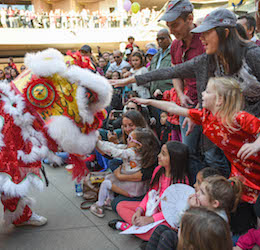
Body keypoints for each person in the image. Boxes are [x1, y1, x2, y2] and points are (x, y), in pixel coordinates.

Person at [112, 8, 260, 177]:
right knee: (222, 164)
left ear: (225, 33)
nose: (201, 38)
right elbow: (171, 72)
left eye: (207, 33)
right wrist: (129, 80)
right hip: (231, 130)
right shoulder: (210, 59)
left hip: (254, 130)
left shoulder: (253, 55)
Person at [132, 77, 260, 204]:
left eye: (208, 92)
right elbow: (174, 108)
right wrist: (148, 102)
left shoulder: (239, 117)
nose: (202, 93)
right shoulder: (206, 117)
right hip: (241, 172)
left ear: (219, 100)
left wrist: (256, 145)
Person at [109, 141, 191, 241]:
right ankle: (139, 227)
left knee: (159, 232)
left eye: (163, 154)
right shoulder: (158, 170)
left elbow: (175, 211)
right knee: (120, 206)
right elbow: (151, 193)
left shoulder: (181, 181)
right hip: (152, 207)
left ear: (174, 159)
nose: (159, 156)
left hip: (166, 217)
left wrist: (151, 219)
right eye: (161, 152)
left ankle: (125, 226)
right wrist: (140, 210)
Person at [160, 0, 205, 176]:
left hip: (210, 106)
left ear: (190, 19)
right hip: (187, 106)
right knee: (188, 151)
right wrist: (180, 93)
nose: (171, 31)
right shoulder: (175, 45)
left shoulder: (205, 40)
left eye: (175, 25)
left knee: (212, 154)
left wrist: (200, 109)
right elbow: (176, 73)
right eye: (168, 26)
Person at [90, 128, 160, 217]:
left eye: (130, 139)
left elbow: (115, 151)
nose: (127, 139)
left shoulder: (132, 153)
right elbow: (115, 146)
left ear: (138, 145)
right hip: (136, 185)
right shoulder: (140, 152)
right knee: (109, 178)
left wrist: (99, 143)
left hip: (133, 187)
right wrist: (101, 143)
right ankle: (110, 201)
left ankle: (99, 205)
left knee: (106, 183)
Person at [146, 167, 221, 250]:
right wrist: (187, 207)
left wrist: (192, 210)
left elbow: (188, 236)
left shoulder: (212, 217)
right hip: (184, 238)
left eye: (199, 183)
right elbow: (177, 223)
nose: (194, 185)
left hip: (191, 243)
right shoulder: (197, 201)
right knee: (161, 229)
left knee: (168, 236)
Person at [149, 29, 173, 98]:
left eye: (162, 38)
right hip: (154, 93)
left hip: (169, 93)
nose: (160, 41)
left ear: (169, 38)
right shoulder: (156, 56)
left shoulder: (174, 52)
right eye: (158, 39)